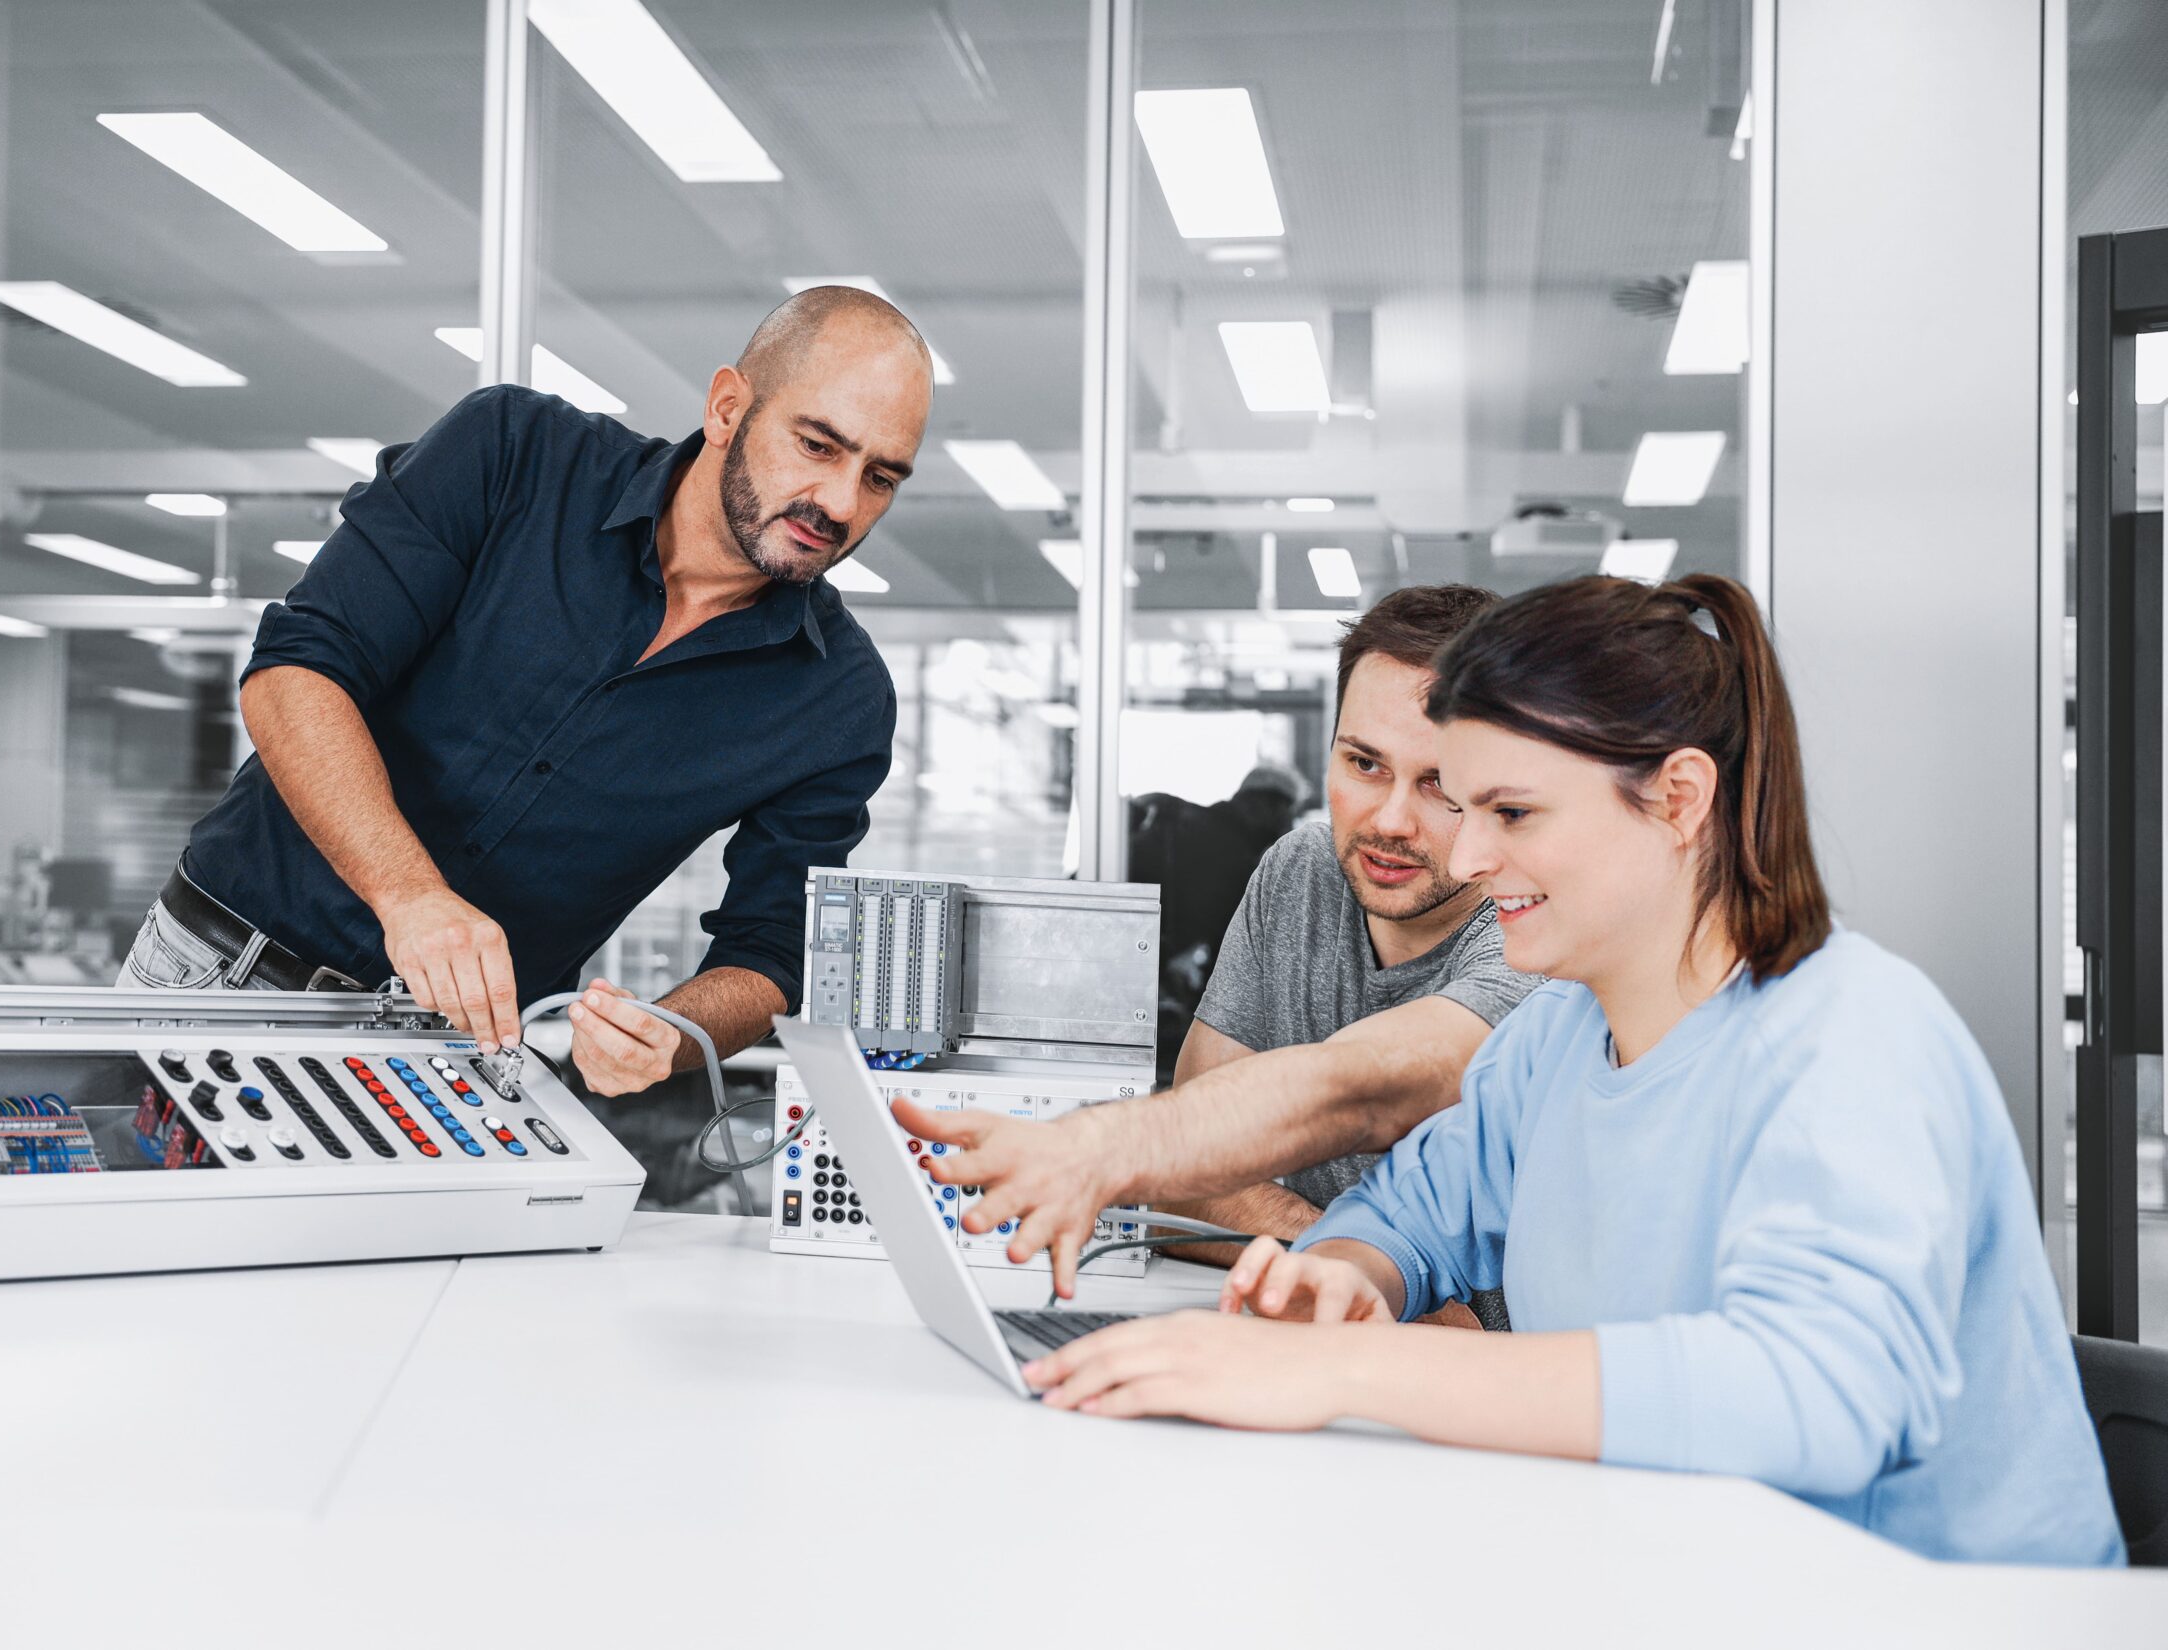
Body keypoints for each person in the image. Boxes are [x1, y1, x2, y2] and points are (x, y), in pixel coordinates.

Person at [1013, 573, 2122, 1567]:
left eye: (1510, 812)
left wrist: (1348, 1374)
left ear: (1678, 800)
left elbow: (1814, 1395)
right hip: (1671, 1574)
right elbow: (1414, 1213)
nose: (1464, 854)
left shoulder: (1856, 1038)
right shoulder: (1555, 1035)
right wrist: (1342, 1278)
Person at [123, 287, 931, 1097]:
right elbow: (295, 674)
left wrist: (673, 1034)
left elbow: (771, 949)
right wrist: (410, 896)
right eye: (820, 446)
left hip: (457, 1069)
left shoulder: (840, 700)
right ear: (728, 408)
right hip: (220, 978)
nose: (841, 504)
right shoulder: (512, 454)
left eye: (881, 478)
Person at [900, 585, 1538, 1329]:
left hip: (1477, 1383)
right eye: (1364, 764)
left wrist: (1108, 1148)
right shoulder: (1301, 871)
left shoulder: (1536, 923)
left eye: (1439, 785)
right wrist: (1342, 1268)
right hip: (1325, 1333)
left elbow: (1366, 1091)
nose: (1389, 820)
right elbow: (1192, 1180)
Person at [1125, 763, 1307, 1083]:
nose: (1289, 823)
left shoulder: (1206, 830)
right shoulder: (1230, 853)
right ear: (1263, 805)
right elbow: (1230, 960)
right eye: (1287, 811)